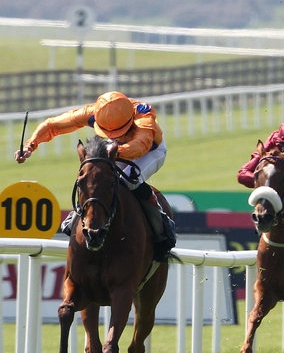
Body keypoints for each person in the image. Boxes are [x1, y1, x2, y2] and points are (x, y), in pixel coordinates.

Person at [15, 91, 176, 262]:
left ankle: (161, 221)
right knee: (93, 178)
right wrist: (30, 146)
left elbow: (140, 146)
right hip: (114, 149)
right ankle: (78, 213)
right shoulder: (94, 112)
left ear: (129, 121)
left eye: (118, 131)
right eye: (108, 132)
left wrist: (113, 151)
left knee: (129, 181)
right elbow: (53, 125)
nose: (114, 135)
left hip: (148, 151)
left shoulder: (144, 117)